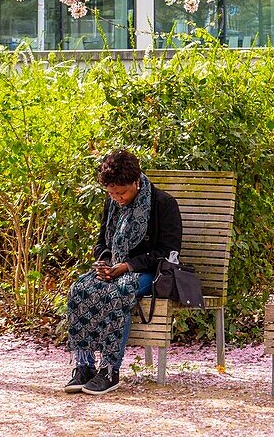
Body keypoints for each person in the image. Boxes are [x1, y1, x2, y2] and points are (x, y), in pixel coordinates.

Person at [65, 148, 182, 397]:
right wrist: (105, 262)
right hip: (114, 268)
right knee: (80, 288)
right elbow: (101, 244)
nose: (117, 198)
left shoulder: (164, 204)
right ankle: (84, 365)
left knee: (117, 292)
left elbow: (168, 251)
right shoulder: (112, 203)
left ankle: (110, 369)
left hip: (148, 271)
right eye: (111, 193)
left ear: (136, 181)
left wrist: (127, 266)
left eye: (122, 192)